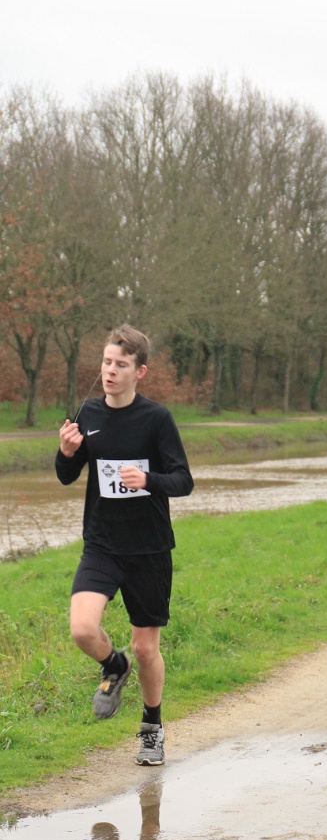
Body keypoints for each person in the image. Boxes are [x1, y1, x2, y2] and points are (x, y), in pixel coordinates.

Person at [56, 325, 194, 766]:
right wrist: (65, 452)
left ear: (140, 371)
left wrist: (148, 479)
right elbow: (66, 476)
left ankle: (152, 728)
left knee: (146, 648)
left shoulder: (156, 419)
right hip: (102, 543)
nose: (110, 371)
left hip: (149, 548)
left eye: (121, 364)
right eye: (106, 362)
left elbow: (183, 481)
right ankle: (114, 667)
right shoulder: (88, 413)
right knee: (82, 628)